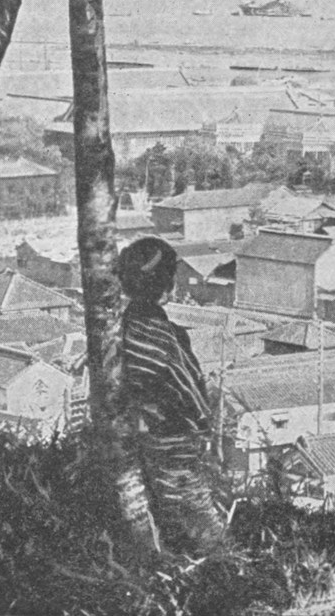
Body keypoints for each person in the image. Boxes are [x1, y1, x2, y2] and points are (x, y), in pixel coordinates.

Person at [116, 236, 223, 553]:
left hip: (139, 437)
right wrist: (201, 421)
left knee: (168, 516)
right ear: (165, 283)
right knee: (195, 517)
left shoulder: (126, 326)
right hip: (171, 439)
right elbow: (185, 390)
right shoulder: (162, 334)